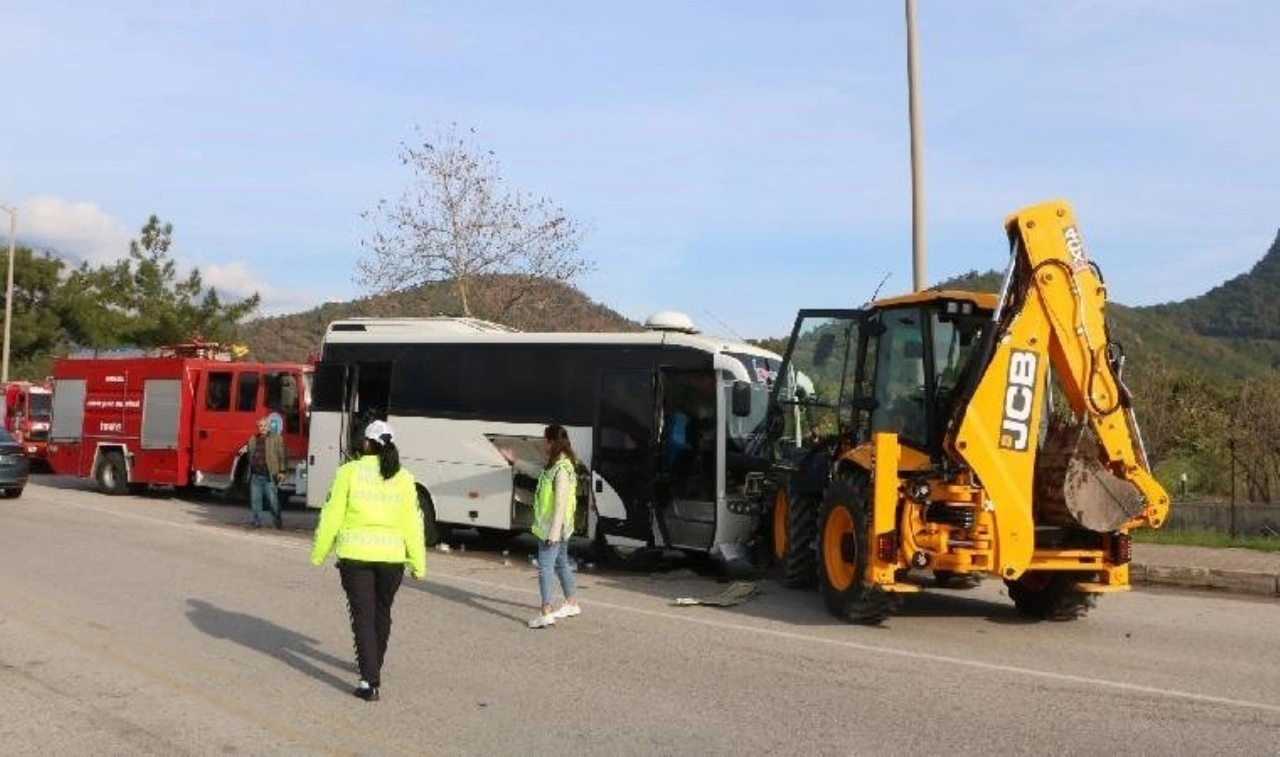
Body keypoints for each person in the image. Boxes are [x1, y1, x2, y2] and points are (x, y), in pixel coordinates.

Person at [310, 420, 426, 701]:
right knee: (382, 613)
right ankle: (374, 663)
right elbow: (413, 522)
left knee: (362, 617)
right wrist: (418, 562)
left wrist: (319, 551)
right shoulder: (404, 477)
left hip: (356, 556)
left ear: (366, 443)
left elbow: (332, 514)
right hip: (392, 558)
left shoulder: (348, 472)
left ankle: (368, 681)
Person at [527, 424, 582, 629]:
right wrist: (516, 462)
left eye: (545, 441)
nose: (544, 444)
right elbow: (536, 472)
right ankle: (571, 603)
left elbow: (560, 503)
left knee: (545, 568)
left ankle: (546, 612)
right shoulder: (556, 465)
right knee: (561, 564)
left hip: (553, 528)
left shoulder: (561, 469)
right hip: (559, 527)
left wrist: (553, 533)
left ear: (552, 442)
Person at [245, 416, 287, 529]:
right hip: (255, 475)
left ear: (268, 426)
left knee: (273, 501)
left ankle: (277, 521)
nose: (261, 428)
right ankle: (256, 521)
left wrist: (282, 471)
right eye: (259, 426)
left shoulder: (276, 438)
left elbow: (282, 455)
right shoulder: (252, 439)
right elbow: (250, 455)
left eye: (263, 426)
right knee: (255, 501)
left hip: (269, 475)